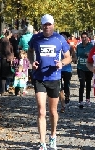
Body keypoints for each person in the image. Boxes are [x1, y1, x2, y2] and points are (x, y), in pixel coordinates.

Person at [28, 14, 71, 150]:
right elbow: (29, 51)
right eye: (45, 24)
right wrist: (31, 62)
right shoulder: (36, 38)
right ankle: (42, 142)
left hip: (54, 77)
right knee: (41, 111)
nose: (47, 27)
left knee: (53, 111)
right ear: (41, 26)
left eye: (49, 24)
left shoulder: (59, 39)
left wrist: (62, 63)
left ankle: (53, 136)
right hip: (39, 77)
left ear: (53, 25)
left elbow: (69, 57)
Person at [76, 32, 94, 109]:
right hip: (80, 67)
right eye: (82, 37)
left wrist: (89, 55)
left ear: (88, 38)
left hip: (89, 68)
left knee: (88, 84)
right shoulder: (79, 46)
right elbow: (76, 56)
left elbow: (94, 56)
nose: (84, 39)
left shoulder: (91, 46)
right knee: (82, 84)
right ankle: (80, 101)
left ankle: (88, 99)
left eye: (85, 37)